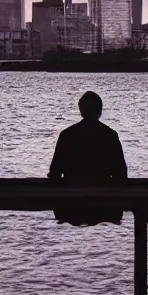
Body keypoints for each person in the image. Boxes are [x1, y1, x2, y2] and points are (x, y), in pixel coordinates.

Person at [48, 91, 127, 225]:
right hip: (105, 207)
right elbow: (121, 174)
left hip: (71, 207)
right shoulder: (110, 136)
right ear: (100, 111)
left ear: (81, 110)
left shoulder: (67, 135)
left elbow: (55, 173)